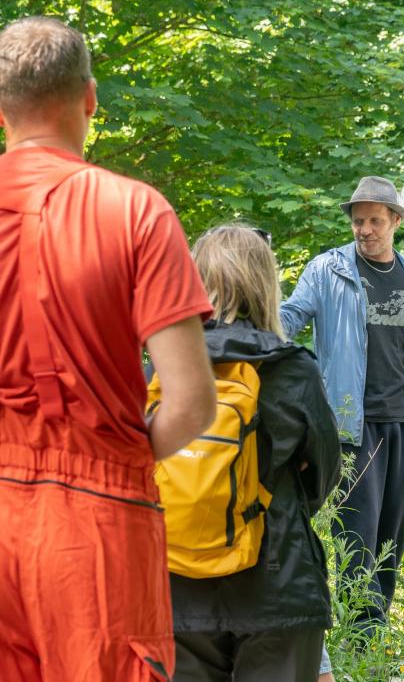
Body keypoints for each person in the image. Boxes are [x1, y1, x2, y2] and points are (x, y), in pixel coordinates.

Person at [0, 16, 217, 679]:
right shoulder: (137, 213)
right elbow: (193, 402)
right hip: (101, 527)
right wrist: (118, 448)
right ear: (89, 97)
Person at [167, 225, 341, 682]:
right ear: (266, 282)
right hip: (277, 584)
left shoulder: (163, 366)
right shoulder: (292, 368)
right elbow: (322, 476)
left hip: (176, 591)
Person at [280, 176, 404, 637]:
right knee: (356, 539)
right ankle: (356, 639)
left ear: (396, 220)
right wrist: (247, 328)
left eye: (375, 220)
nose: (365, 229)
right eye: (358, 221)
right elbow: (290, 318)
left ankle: (374, 640)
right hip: (351, 427)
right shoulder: (327, 270)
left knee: (393, 541)